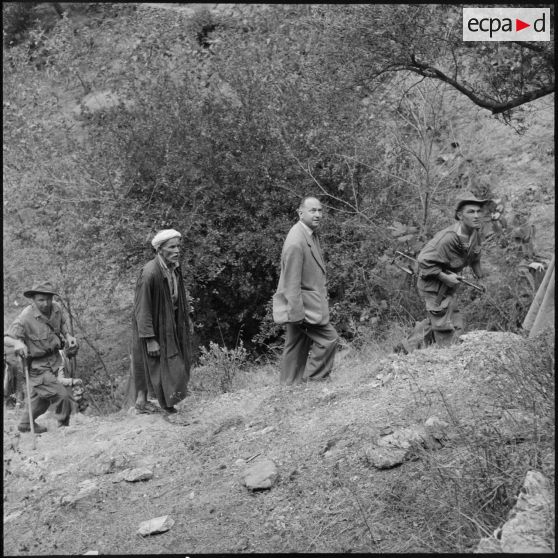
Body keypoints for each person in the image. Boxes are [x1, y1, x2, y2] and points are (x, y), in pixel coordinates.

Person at [405, 192, 488, 351]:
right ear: (460, 215)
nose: (477, 216)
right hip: (432, 285)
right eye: (471, 212)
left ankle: (404, 349)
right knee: (444, 322)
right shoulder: (448, 238)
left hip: (447, 285)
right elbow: (423, 260)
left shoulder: (475, 233)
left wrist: (480, 279)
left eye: (479, 211)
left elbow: (475, 258)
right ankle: (447, 354)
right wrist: (444, 277)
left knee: (442, 318)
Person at [273, 196, 338, 385]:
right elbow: (290, 283)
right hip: (303, 308)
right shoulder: (296, 241)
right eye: (312, 210)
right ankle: (315, 380)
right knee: (329, 339)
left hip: (306, 304)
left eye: (320, 210)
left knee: (296, 345)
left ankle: (288, 386)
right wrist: (296, 314)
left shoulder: (309, 234)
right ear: (300, 213)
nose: (317, 214)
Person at [131, 228, 192, 414]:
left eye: (178, 246)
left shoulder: (174, 267)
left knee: (172, 361)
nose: (177, 250)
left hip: (169, 321)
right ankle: (165, 405)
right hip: (153, 325)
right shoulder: (150, 273)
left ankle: (151, 401)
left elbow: (178, 296)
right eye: (171, 247)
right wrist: (150, 338)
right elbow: (142, 307)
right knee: (156, 364)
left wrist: (186, 318)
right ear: (159, 249)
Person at [4, 281, 79, 433]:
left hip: (54, 360)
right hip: (36, 366)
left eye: (48, 299)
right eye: (41, 300)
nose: (46, 303)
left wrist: (68, 336)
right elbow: (6, 338)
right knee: (62, 395)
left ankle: (25, 424)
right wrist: (17, 343)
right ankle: (64, 428)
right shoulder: (25, 317)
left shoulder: (56, 308)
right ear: (33, 300)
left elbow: (62, 324)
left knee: (42, 400)